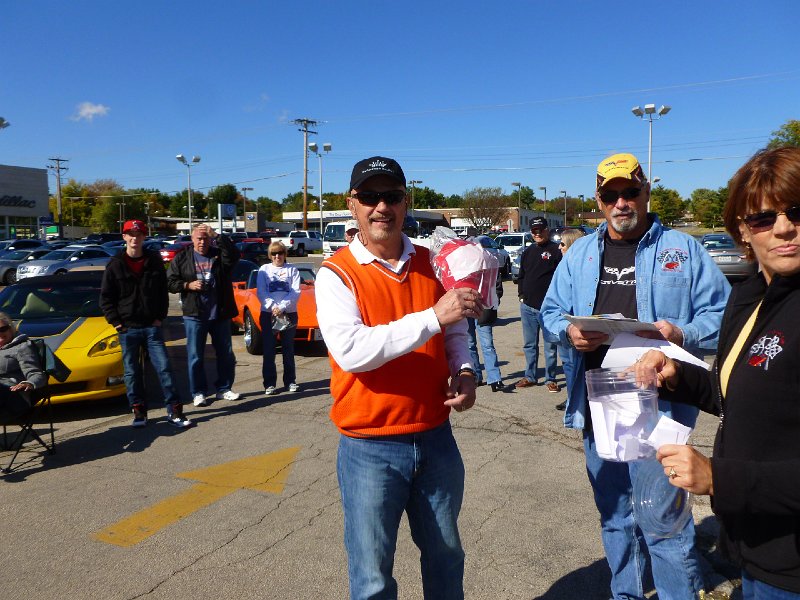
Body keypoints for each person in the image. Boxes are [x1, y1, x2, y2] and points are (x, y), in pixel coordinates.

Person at [541, 152, 731, 599]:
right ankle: (625, 593)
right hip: (601, 405)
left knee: (664, 524)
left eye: (630, 192)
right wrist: (569, 332)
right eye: (611, 195)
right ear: (599, 200)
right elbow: (550, 311)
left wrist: (681, 332)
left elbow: (724, 313)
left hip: (660, 407)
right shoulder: (580, 253)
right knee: (615, 518)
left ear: (646, 193)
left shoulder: (683, 250)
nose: (621, 203)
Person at [635, 146, 800, 598]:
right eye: (763, 218)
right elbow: (738, 392)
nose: (784, 228)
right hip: (754, 547)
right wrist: (676, 374)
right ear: (743, 231)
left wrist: (719, 479)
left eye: (797, 211)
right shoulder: (748, 296)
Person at [316, 156, 480, 599]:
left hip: (435, 436)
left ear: (406, 202)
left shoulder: (433, 262)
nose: (381, 207)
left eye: (391, 196)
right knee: (372, 577)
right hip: (370, 446)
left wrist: (465, 370)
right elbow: (352, 351)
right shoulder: (336, 274)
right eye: (370, 197)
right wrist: (431, 317)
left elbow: (455, 328)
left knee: (446, 558)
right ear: (352, 204)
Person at [101, 220, 192, 428]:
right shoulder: (115, 264)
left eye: (139, 234)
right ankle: (139, 411)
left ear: (144, 237)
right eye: (130, 234)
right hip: (127, 329)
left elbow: (162, 293)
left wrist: (159, 317)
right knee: (132, 373)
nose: (135, 238)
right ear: (124, 237)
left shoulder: (154, 261)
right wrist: (117, 323)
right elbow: (106, 298)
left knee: (164, 369)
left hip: (152, 327)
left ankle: (175, 411)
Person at [167, 223, 241, 407]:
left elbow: (234, 254)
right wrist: (188, 285)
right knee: (195, 356)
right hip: (194, 314)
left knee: (226, 354)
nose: (202, 242)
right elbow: (170, 282)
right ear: (192, 239)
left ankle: (224, 388)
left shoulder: (218, 254)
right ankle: (198, 392)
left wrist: (216, 235)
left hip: (219, 314)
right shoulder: (182, 257)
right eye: (199, 238)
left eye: (205, 238)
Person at [515, 217, 561, 393]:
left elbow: (561, 278)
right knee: (529, 345)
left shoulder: (556, 250)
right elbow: (522, 275)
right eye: (534, 231)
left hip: (549, 308)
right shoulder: (528, 252)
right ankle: (530, 376)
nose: (538, 233)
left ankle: (551, 378)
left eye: (540, 230)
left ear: (547, 230)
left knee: (550, 346)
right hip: (528, 307)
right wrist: (521, 295)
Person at [256, 241, 301, 396]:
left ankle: (290, 381)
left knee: (288, 349)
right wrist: (273, 307)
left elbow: (295, 292)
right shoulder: (264, 269)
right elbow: (261, 292)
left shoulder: (292, 269)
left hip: (289, 313)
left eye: (280, 253)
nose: (277, 256)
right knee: (269, 350)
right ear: (270, 255)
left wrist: (281, 307)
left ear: (284, 254)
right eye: (274, 254)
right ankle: (269, 384)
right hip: (268, 314)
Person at [554, 228, 585, 411]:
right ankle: (572, 397)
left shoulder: (581, 268)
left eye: (563, 244)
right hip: (563, 325)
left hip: (576, 325)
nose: (559, 247)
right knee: (567, 364)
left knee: (575, 365)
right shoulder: (563, 265)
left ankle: (577, 401)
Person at [0, 313, 46, 422]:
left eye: (3, 329)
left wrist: (29, 383)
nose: (0, 333)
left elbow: (36, 374)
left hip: (13, 397)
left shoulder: (22, 347)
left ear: (11, 329)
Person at [467, 273, 505, 391]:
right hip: (466, 309)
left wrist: (495, 300)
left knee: (488, 345)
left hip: (484, 309)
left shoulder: (487, 262)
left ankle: (494, 378)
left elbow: (496, 281)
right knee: (470, 344)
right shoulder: (461, 264)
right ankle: (476, 376)